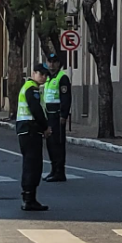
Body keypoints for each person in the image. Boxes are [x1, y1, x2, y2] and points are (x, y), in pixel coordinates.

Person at [17, 63, 52, 211]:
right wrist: (45, 127)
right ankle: (29, 198)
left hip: (26, 130)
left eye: (45, 74)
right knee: (33, 165)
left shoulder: (30, 87)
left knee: (30, 164)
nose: (43, 77)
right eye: (41, 73)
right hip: (30, 129)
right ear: (34, 73)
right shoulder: (32, 89)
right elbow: (36, 110)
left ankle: (29, 197)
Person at [43, 53, 72, 182]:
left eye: (54, 62)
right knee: (50, 143)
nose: (52, 65)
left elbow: (66, 98)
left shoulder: (62, 78)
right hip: (48, 115)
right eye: (49, 62)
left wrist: (63, 115)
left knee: (58, 143)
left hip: (57, 115)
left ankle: (60, 171)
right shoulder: (48, 78)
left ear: (59, 64)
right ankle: (53, 170)